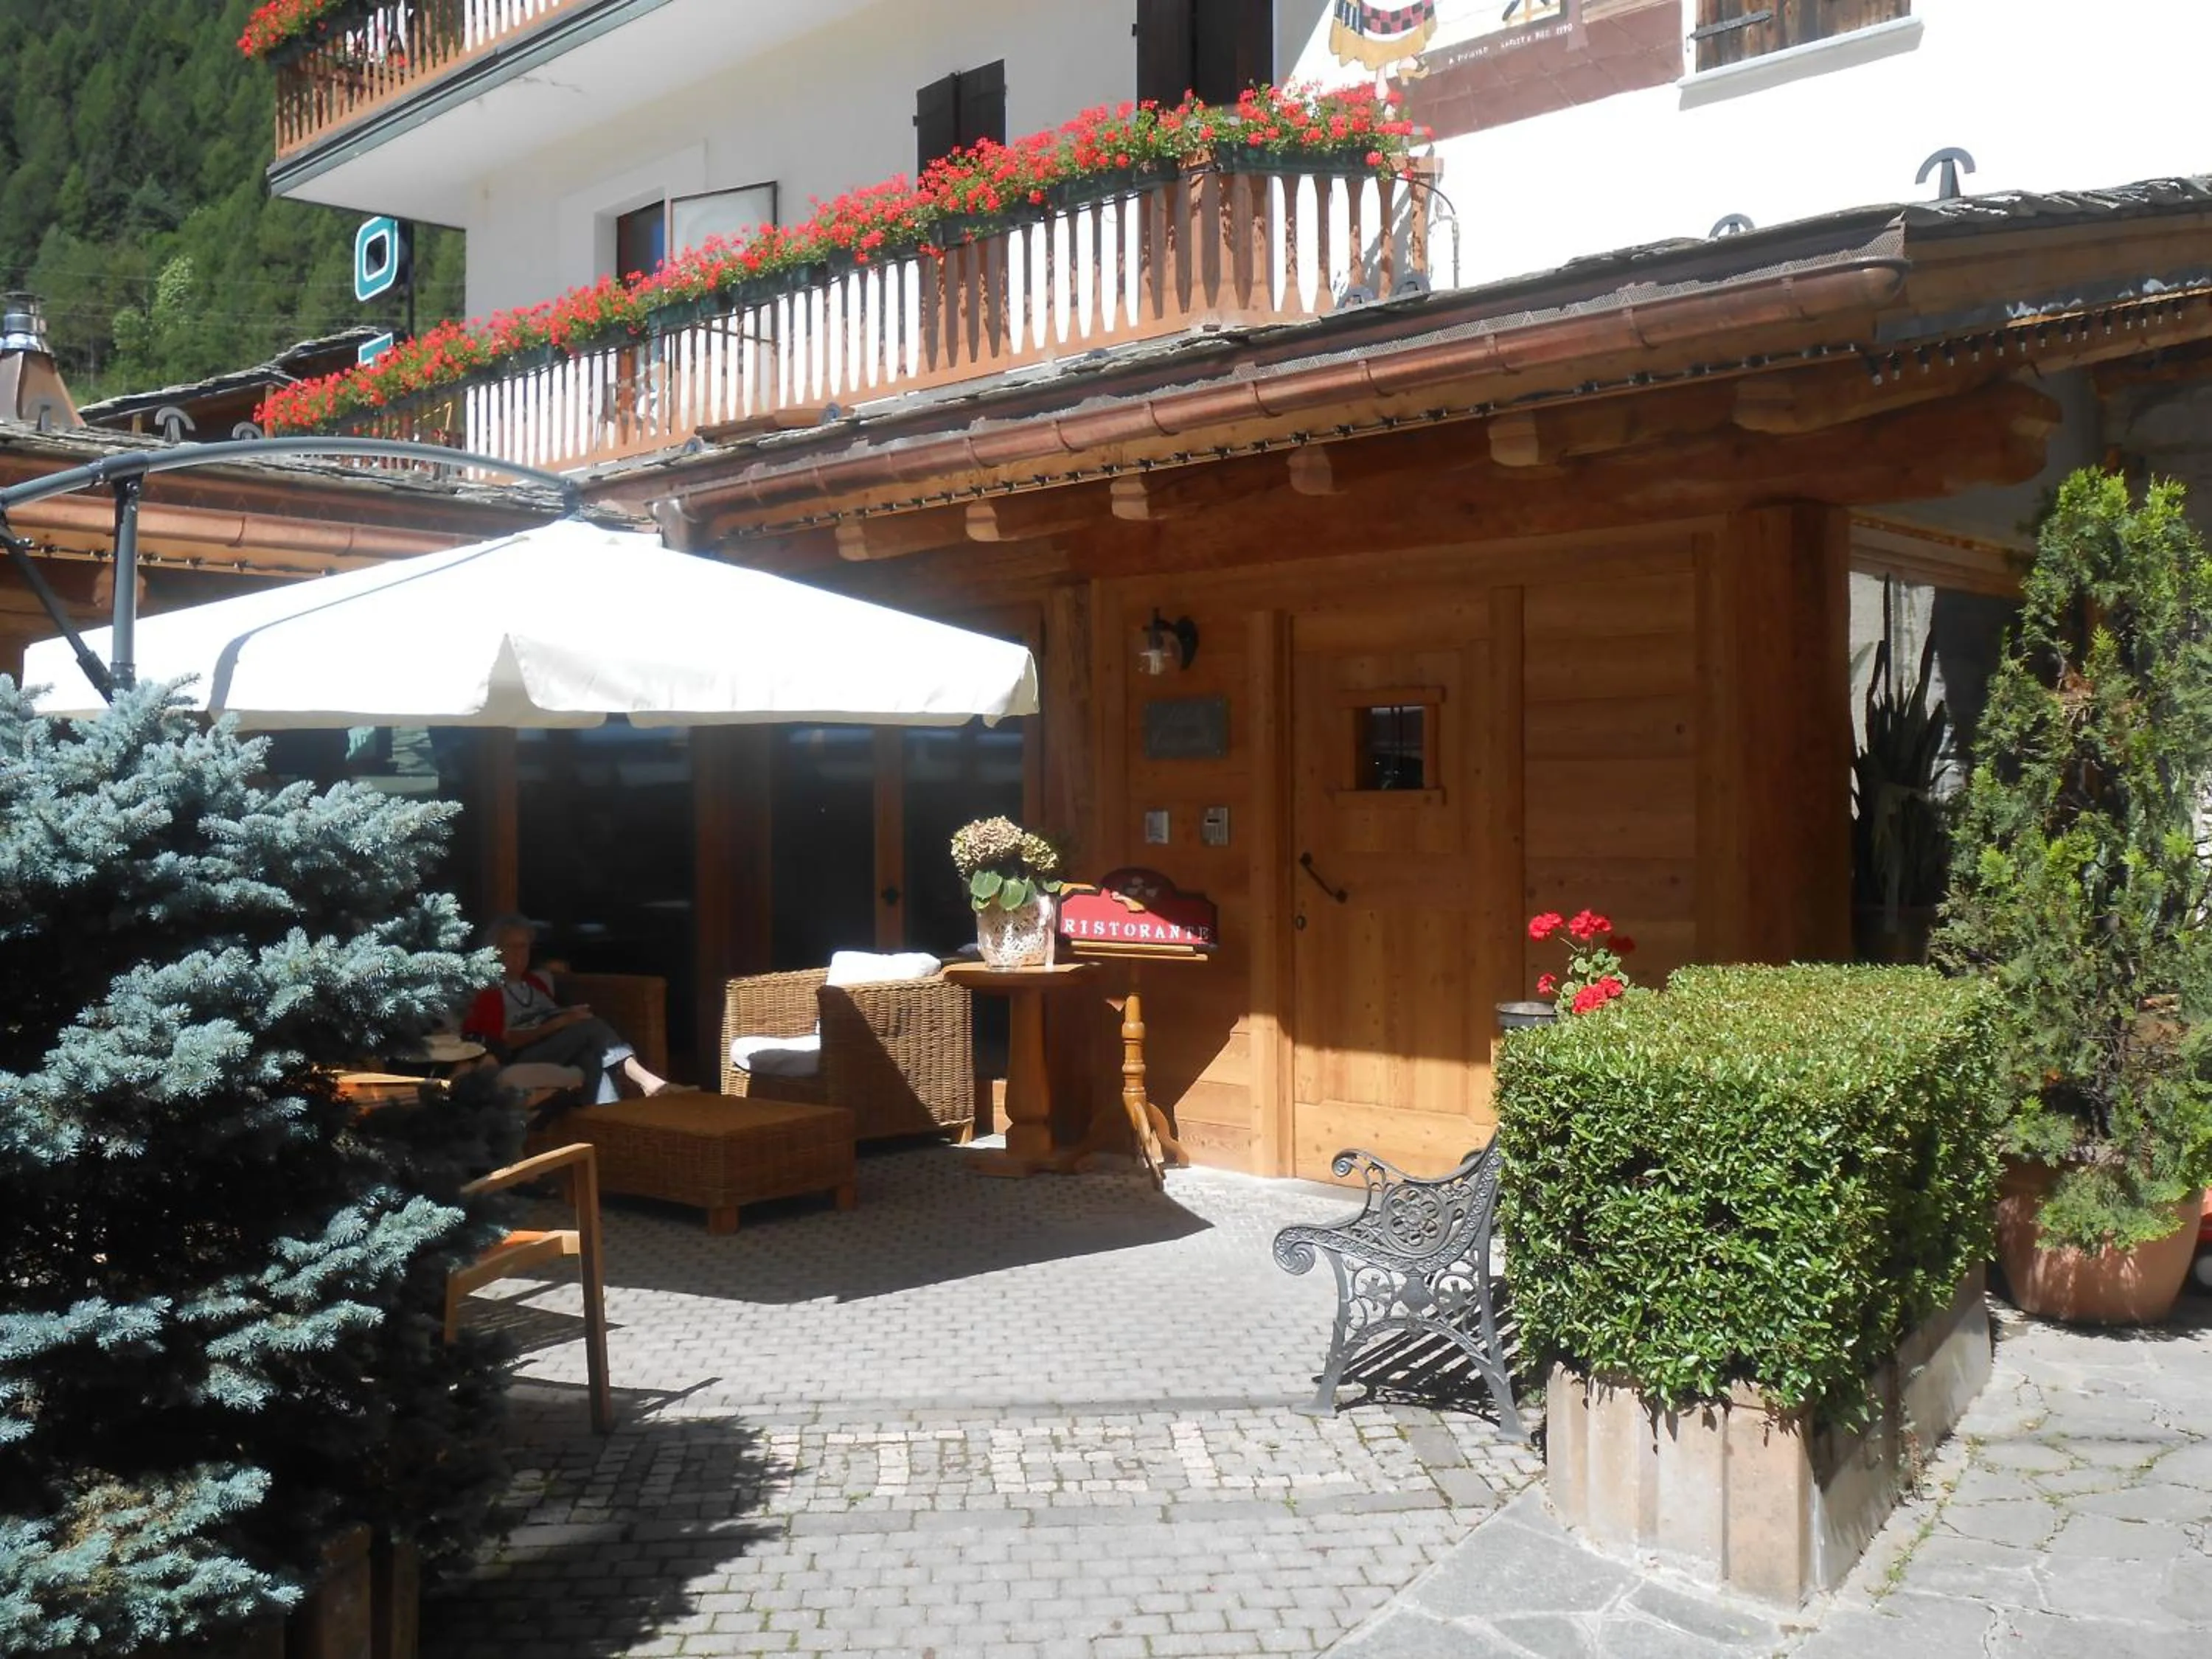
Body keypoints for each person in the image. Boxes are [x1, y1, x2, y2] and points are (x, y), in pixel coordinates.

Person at [462, 915, 677, 1103]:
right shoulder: (488, 991)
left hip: (556, 1047)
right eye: (512, 946)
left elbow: (548, 1016)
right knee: (590, 1027)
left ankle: (605, 1119)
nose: (520, 953)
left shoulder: (536, 983)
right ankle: (646, 1080)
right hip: (520, 1055)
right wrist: (561, 1023)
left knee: (591, 1056)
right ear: (495, 950)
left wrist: (567, 1015)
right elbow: (504, 1044)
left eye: (524, 946)